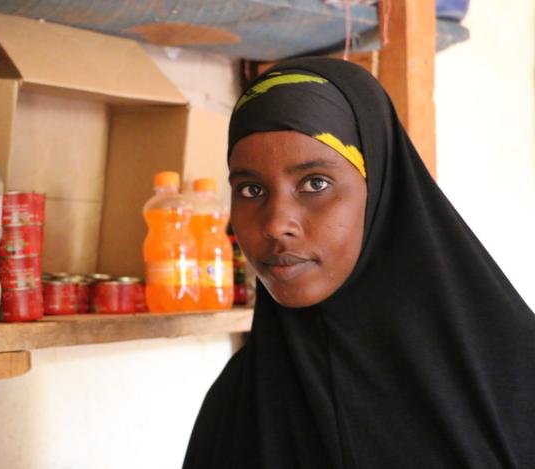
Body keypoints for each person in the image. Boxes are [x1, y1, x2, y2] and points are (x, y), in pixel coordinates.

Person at [183, 57, 535, 468]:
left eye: (316, 183)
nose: (277, 224)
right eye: (250, 189)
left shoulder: (511, 378)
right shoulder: (237, 406)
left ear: (383, 193)